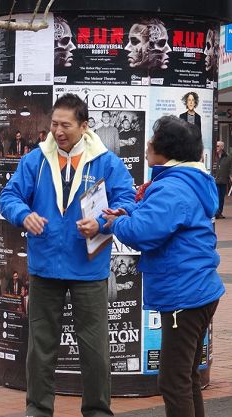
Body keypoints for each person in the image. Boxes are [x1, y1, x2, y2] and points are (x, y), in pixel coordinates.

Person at [0, 93, 135, 417]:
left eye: (65, 125)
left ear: (84, 126)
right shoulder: (36, 159)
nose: (58, 131)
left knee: (95, 350)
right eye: (54, 124)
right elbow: (9, 196)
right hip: (45, 266)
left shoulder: (106, 161)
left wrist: (102, 221)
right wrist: (23, 215)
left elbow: (129, 201)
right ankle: (38, 409)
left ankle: (98, 411)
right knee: (41, 348)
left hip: (88, 268)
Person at [105, 115, 225, 417]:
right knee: (186, 378)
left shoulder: (172, 188)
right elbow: (154, 217)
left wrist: (117, 222)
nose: (147, 144)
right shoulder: (184, 180)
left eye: (153, 139)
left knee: (172, 381)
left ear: (166, 149)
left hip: (183, 296)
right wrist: (127, 212)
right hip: (197, 291)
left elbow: (144, 232)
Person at [213, 141, 232, 219]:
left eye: (218, 146)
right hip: (214, 181)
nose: (216, 147)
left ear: (222, 147)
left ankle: (219, 212)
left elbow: (230, 169)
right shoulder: (214, 156)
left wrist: (231, 176)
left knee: (221, 198)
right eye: (216, 146)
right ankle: (215, 212)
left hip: (223, 180)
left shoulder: (228, 157)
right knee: (216, 197)